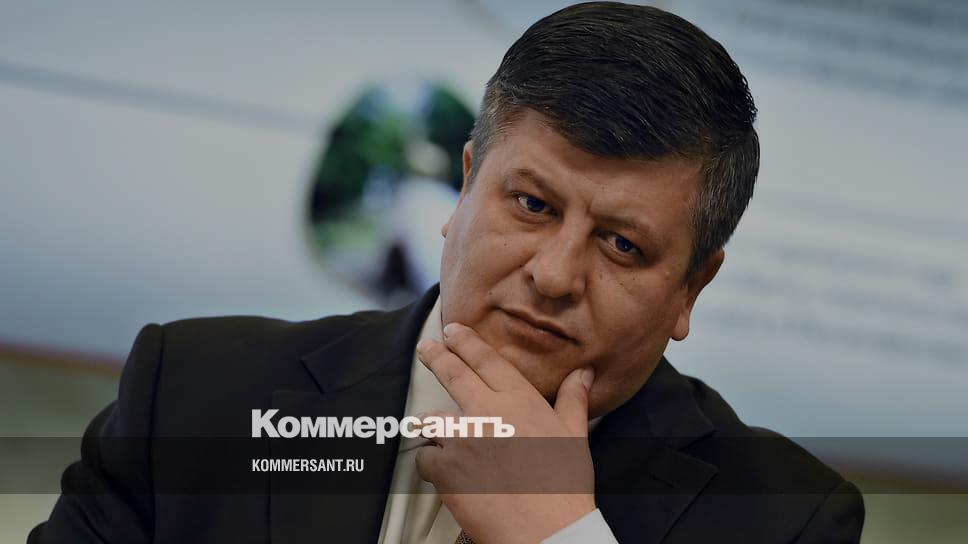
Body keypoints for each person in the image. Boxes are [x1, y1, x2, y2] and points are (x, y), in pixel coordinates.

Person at [29, 2, 865, 543]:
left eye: (622, 246)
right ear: (465, 186)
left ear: (692, 288)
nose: (553, 275)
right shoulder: (193, 393)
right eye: (532, 205)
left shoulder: (785, 518)